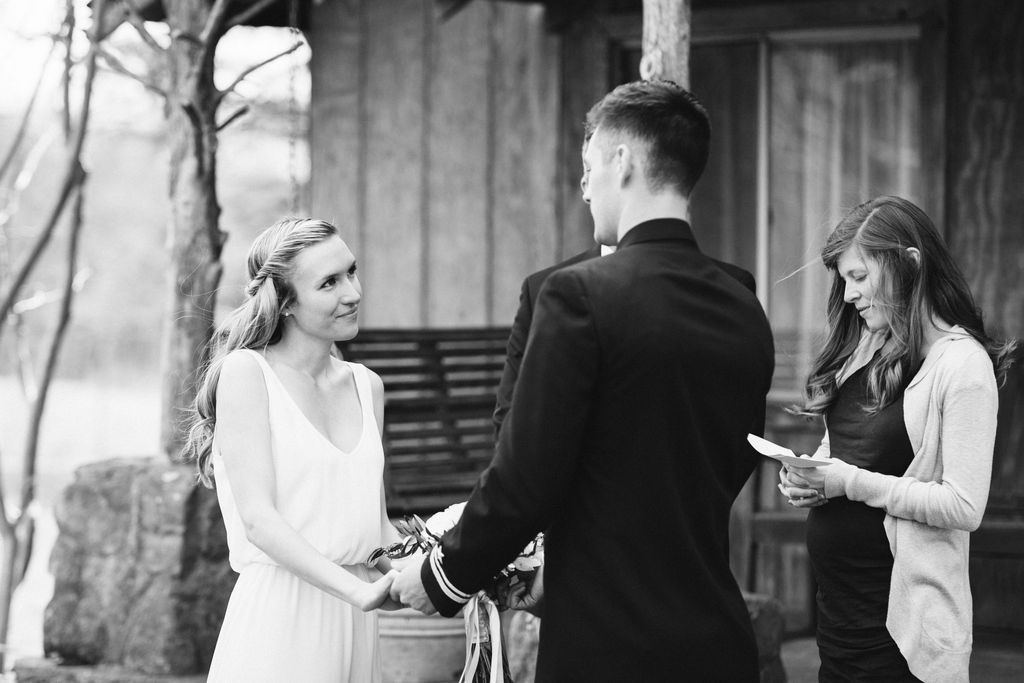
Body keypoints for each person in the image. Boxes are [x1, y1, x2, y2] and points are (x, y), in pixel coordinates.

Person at [392, 80, 775, 681]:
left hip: (607, 640)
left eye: (589, 163)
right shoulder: (741, 299)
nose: (586, 185)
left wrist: (443, 577)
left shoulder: (579, 294)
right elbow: (738, 454)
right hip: (716, 636)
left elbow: (526, 473)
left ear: (622, 161)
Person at [777, 196, 1016, 682]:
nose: (848, 295)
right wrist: (813, 475)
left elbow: (964, 506)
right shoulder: (865, 347)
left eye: (860, 277)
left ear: (910, 264)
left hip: (904, 638)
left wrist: (850, 483)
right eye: (843, 280)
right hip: (839, 620)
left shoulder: (961, 366)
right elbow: (844, 448)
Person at [182, 218, 401, 682]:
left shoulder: (367, 386)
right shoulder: (246, 375)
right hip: (282, 618)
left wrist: (451, 573)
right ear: (285, 304)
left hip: (356, 621)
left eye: (351, 272)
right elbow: (260, 521)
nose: (353, 293)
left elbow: (374, 524)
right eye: (328, 283)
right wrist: (357, 591)